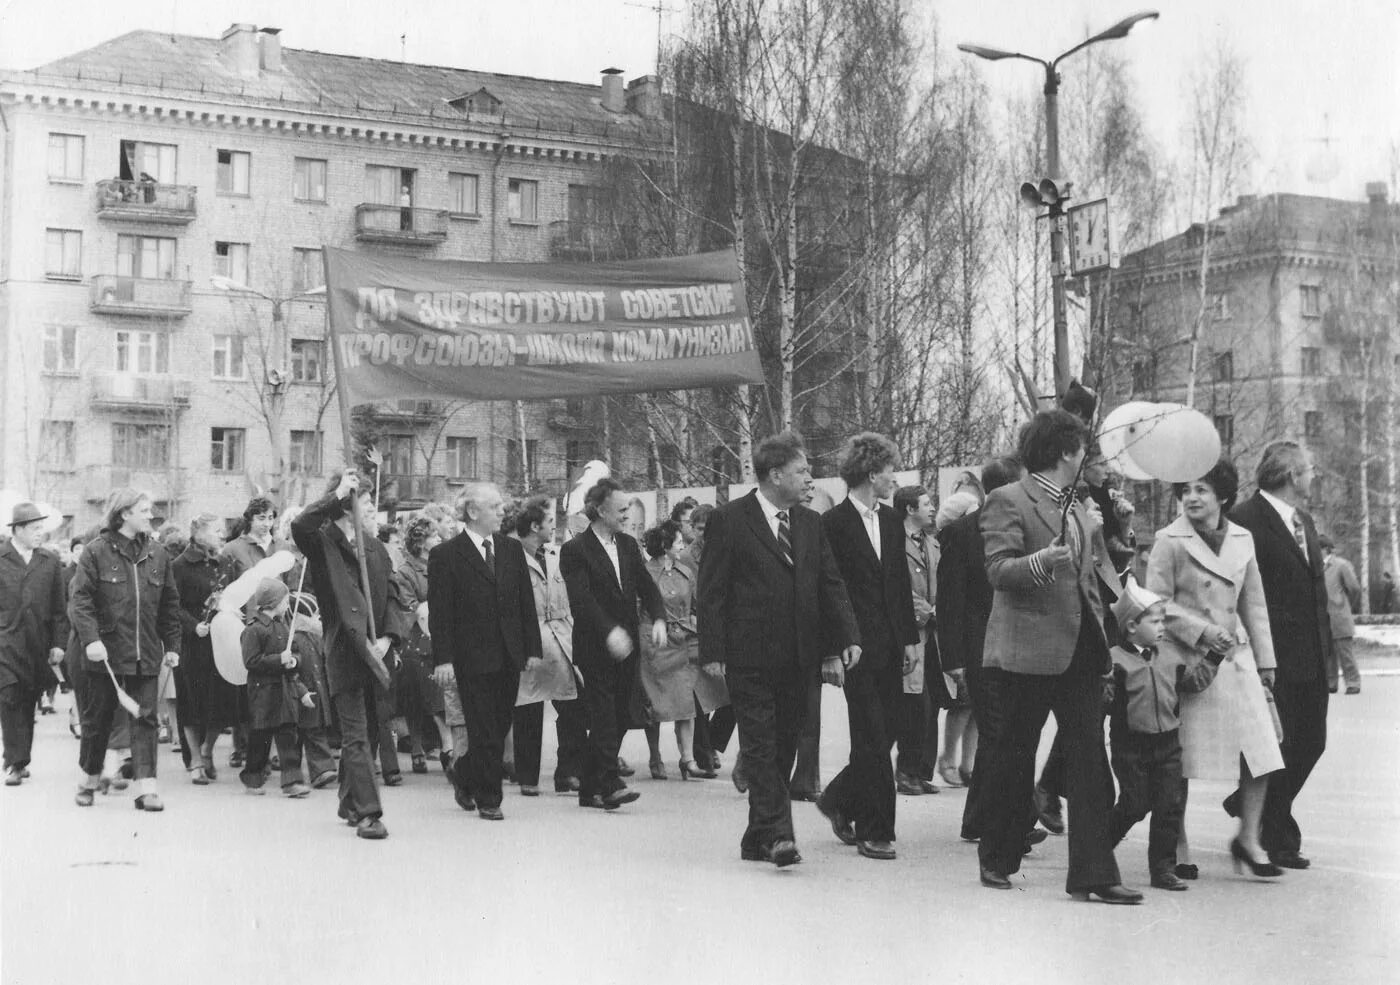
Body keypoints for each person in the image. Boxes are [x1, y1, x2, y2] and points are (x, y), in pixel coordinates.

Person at [976, 410, 1138, 903]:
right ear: (1066, 452)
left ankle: (1094, 874)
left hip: (1080, 652)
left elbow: (1091, 576)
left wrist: (1119, 550)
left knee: (1091, 762)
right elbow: (999, 571)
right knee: (1014, 757)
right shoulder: (1008, 499)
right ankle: (998, 856)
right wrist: (1042, 562)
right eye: (1084, 449)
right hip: (1025, 653)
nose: (1090, 458)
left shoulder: (1078, 506)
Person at [697, 431, 860, 867]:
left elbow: (829, 583)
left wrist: (846, 636)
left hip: (800, 656)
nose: (810, 479)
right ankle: (781, 836)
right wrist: (712, 650)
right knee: (762, 746)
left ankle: (757, 837)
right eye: (802, 470)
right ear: (774, 475)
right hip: (749, 657)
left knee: (786, 743)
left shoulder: (808, 523)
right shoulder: (729, 520)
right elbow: (710, 590)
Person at [1148, 459, 1287, 880]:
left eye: (1202, 489)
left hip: (1238, 658)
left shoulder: (1243, 538)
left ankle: (1248, 838)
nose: (1191, 497)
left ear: (1223, 496)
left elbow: (1255, 603)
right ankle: (1177, 841)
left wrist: (1266, 662)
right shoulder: (1168, 540)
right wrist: (1203, 631)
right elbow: (1155, 604)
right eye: (1186, 489)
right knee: (1183, 759)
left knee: (1261, 750)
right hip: (1193, 661)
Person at [1226, 441, 1330, 870]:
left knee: (1312, 742)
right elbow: (1240, 590)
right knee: (1278, 746)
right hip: (1271, 657)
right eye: (1308, 469)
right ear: (1290, 474)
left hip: (1311, 655)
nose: (1312, 476)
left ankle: (1249, 806)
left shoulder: (1303, 519)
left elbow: (1313, 591)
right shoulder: (1245, 519)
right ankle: (1277, 836)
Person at [817, 434, 920, 862]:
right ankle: (876, 830)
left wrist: (910, 638)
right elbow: (829, 589)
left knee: (886, 732)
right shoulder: (833, 524)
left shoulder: (894, 522)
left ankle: (839, 797)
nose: (895, 477)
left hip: (893, 645)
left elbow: (899, 585)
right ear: (871, 473)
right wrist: (836, 646)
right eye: (890, 470)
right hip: (855, 648)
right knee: (873, 737)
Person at [428, 482, 542, 821]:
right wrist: (444, 659)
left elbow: (525, 603)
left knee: (500, 722)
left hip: (509, 654)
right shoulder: (446, 555)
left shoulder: (510, 549)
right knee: (484, 729)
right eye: (495, 506)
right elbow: (441, 613)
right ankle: (490, 798)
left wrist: (532, 649)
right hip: (471, 657)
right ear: (473, 512)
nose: (502, 512)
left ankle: (463, 773)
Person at [292, 471, 395, 841]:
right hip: (345, 648)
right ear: (346, 506)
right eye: (364, 501)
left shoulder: (374, 547)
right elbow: (301, 523)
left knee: (370, 731)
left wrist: (388, 637)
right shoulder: (321, 542)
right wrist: (336, 495)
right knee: (355, 734)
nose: (371, 508)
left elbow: (393, 595)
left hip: (375, 649)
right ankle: (369, 813)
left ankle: (348, 800)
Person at [68, 489, 182, 811]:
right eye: (144, 510)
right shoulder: (95, 552)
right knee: (97, 722)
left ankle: (146, 789)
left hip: (145, 654)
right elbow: (82, 600)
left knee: (146, 721)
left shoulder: (158, 554)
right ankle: (88, 781)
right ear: (124, 514)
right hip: (105, 657)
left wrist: (172, 645)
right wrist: (91, 640)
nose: (151, 515)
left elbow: (170, 605)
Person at [1104, 580, 1219, 891]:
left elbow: (1193, 682)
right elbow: (1103, 700)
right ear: (1131, 626)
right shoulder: (1114, 660)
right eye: (1153, 621)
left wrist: (1213, 658)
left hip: (1168, 744)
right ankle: (1098, 852)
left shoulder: (1169, 656)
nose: (1161, 627)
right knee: (1134, 804)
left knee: (1169, 805)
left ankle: (1163, 869)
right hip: (1131, 746)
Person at [560, 477, 666, 812]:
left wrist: (659, 617)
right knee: (604, 714)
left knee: (622, 714)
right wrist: (609, 631)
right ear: (601, 510)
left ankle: (590, 786)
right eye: (621, 509)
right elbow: (582, 600)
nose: (626, 515)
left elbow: (646, 586)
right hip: (596, 645)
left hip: (628, 645)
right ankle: (609, 782)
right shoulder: (575, 550)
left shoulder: (628, 545)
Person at [938, 457, 1021, 843]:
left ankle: (978, 819)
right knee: (998, 731)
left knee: (999, 735)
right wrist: (952, 660)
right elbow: (951, 601)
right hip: (978, 648)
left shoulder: (1022, 528)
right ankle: (1013, 821)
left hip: (1017, 647)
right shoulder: (960, 533)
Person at [509, 498, 585, 795]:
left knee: (573, 706)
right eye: (549, 521)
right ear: (534, 526)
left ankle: (567, 772)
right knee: (528, 708)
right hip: (530, 640)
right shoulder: (510, 557)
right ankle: (527, 776)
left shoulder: (557, 554)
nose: (554, 526)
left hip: (563, 638)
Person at [640, 520, 720, 780]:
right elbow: (639, 609)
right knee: (657, 702)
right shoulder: (645, 573)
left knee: (686, 698)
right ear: (664, 545)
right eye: (678, 542)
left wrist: (696, 621)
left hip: (686, 639)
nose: (682, 546)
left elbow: (698, 603)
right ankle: (655, 756)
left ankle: (687, 759)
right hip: (658, 643)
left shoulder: (685, 571)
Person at [1, 503, 68, 785]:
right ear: (17, 530)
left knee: (28, 699)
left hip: (36, 643)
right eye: (35, 528)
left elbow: (58, 608)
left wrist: (58, 643)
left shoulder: (49, 561)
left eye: (42, 528)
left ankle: (19, 757)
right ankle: (15, 762)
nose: (40, 533)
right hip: (5, 641)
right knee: (9, 695)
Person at [170, 514, 239, 784]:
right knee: (191, 701)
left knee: (221, 700)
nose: (222, 535)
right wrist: (192, 625)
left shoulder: (224, 563)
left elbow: (234, 597)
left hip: (220, 641)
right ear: (198, 533)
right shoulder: (180, 565)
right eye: (217, 530)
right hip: (191, 644)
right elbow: (172, 605)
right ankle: (196, 760)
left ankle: (208, 749)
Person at [239, 578, 311, 798]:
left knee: (288, 735)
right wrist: (279, 659)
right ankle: (253, 777)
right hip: (263, 692)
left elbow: (295, 651)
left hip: (284, 690)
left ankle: (291, 781)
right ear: (272, 602)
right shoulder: (254, 630)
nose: (287, 604)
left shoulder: (282, 625)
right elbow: (251, 661)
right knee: (260, 737)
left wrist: (293, 661)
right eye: (284, 600)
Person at [892, 484, 942, 796]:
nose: (932, 508)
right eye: (926, 504)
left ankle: (922, 770)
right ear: (910, 509)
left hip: (934, 636)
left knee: (932, 702)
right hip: (913, 633)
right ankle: (906, 770)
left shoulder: (932, 543)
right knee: (914, 704)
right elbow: (897, 588)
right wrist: (928, 612)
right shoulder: (895, 542)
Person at [389, 517, 448, 775]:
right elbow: (408, 607)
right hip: (416, 638)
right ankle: (418, 748)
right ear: (422, 542)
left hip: (439, 635)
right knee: (417, 696)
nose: (439, 540)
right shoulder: (406, 572)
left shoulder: (442, 565)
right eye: (435, 536)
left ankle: (435, 746)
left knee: (438, 694)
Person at [1318, 535, 1362, 695]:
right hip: (1324, 618)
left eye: (1317, 548)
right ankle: (1331, 683)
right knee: (1329, 653)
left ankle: (1353, 683)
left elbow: (1355, 588)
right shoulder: (1316, 566)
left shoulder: (1341, 565)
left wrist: (1345, 605)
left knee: (1345, 653)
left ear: (1325, 549)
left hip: (1340, 616)